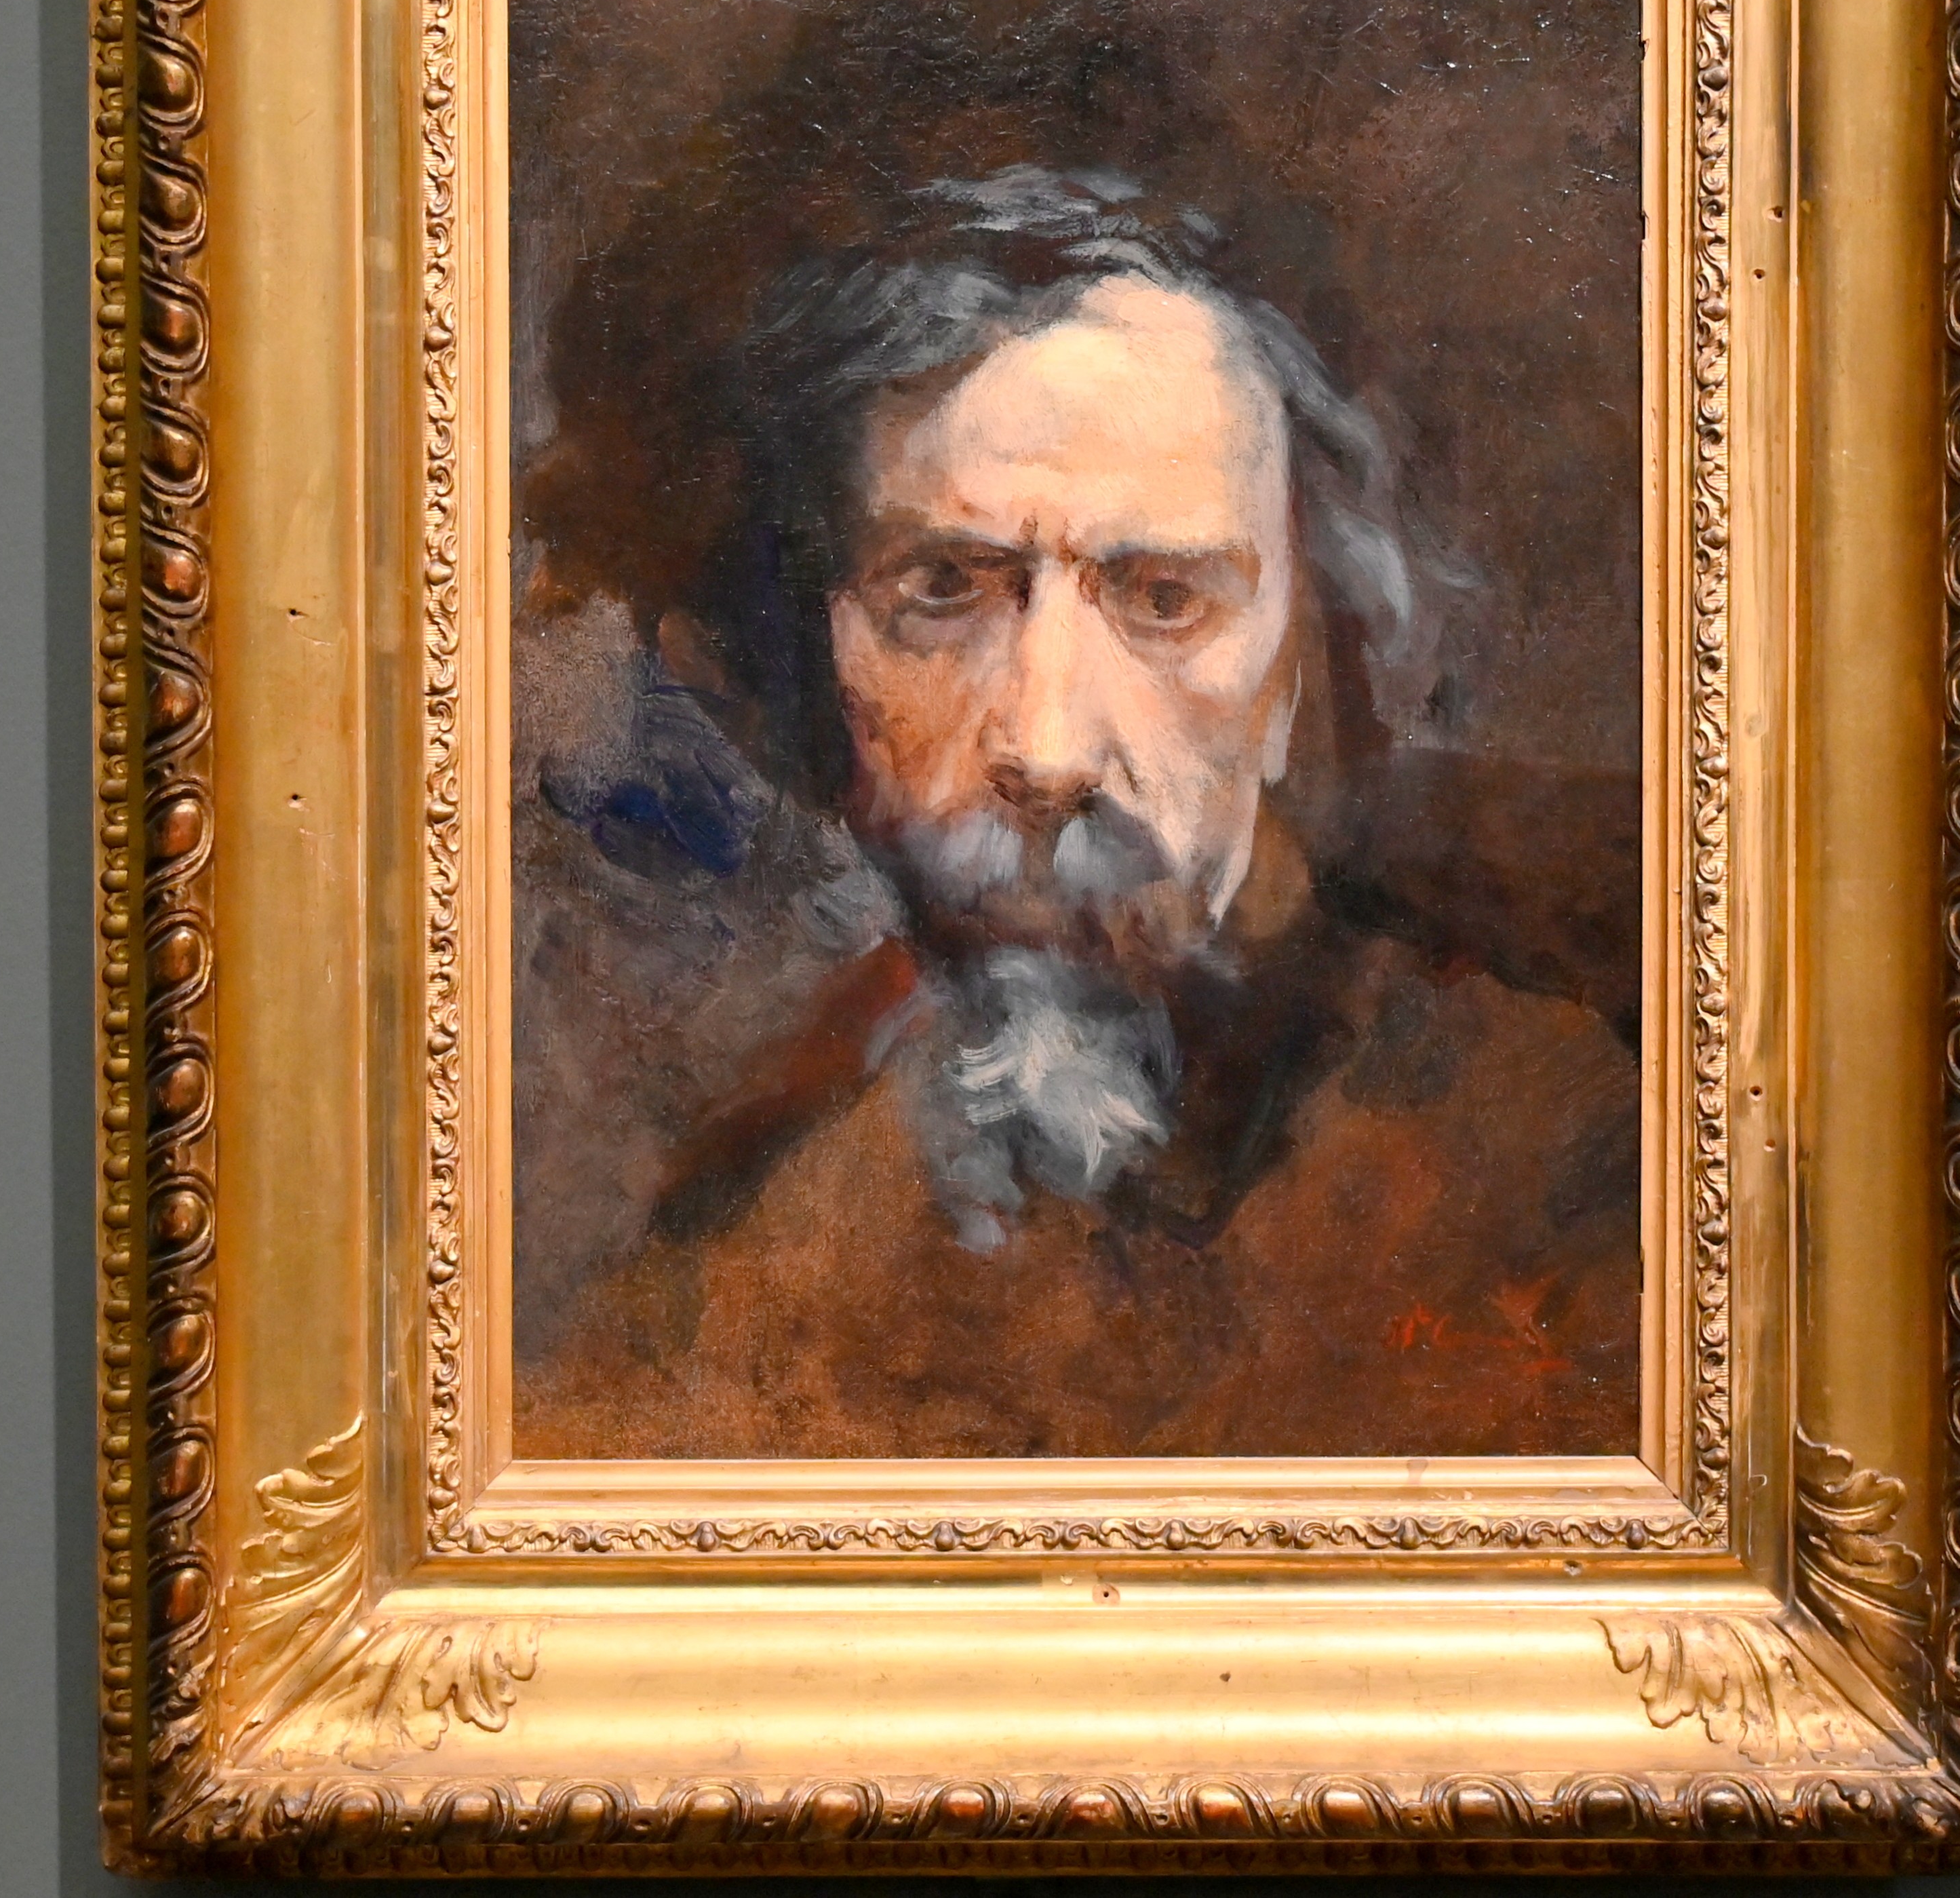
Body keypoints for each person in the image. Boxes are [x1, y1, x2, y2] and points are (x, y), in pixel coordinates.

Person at [516, 169, 1642, 1459]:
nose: (1046, 751)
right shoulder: (723, 1252)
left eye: (1165, 600)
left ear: (1302, 670)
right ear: (828, 654)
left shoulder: (1566, 1176)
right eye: (943, 589)